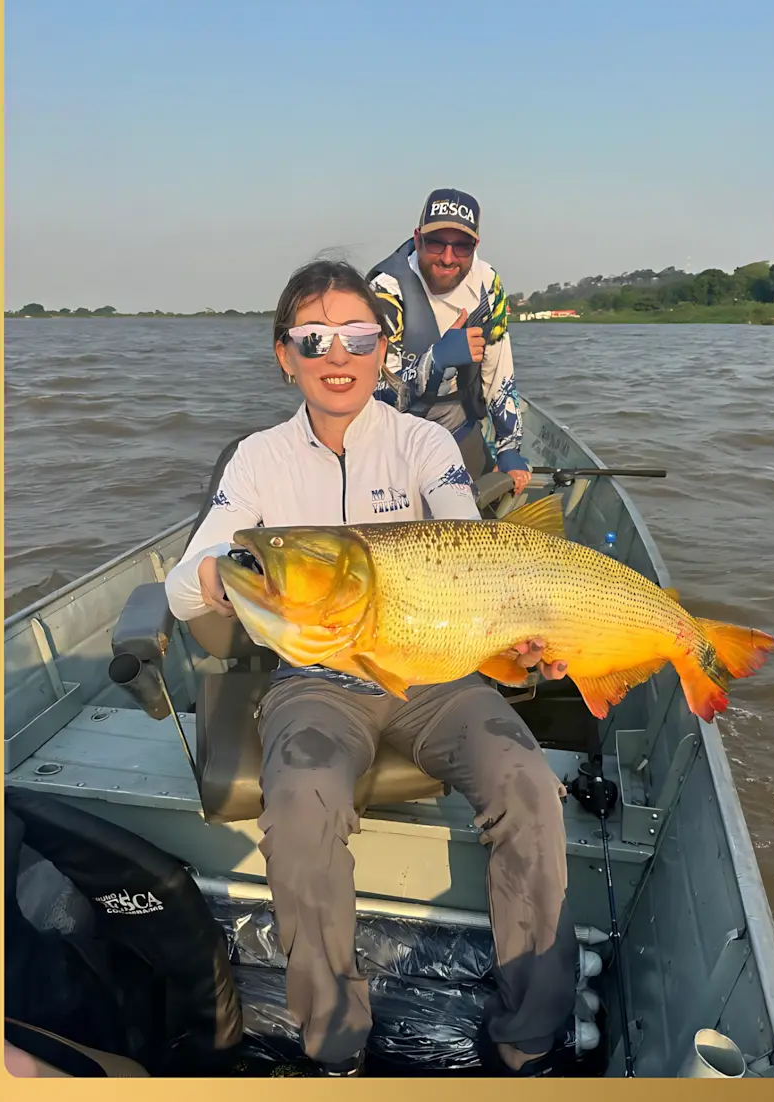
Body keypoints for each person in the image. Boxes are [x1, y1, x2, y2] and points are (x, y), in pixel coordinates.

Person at [165, 260, 578, 1078]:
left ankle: (529, 1041)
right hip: (315, 683)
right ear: (286, 355)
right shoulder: (258, 460)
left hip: (439, 676)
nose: (338, 353)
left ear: (385, 349)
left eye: (359, 335)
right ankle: (335, 1046)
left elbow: (465, 532)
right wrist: (224, 568)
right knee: (300, 805)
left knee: (529, 783)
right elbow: (183, 588)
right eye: (314, 338)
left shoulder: (424, 442)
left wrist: (518, 624)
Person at [367, 188, 531, 494]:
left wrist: (509, 447)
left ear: (475, 246)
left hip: (459, 428)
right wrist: (436, 360)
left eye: (462, 246)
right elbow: (376, 395)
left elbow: (499, 374)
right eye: (436, 243)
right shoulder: (385, 291)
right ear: (417, 239)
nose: (447, 258)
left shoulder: (488, 284)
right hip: (396, 440)